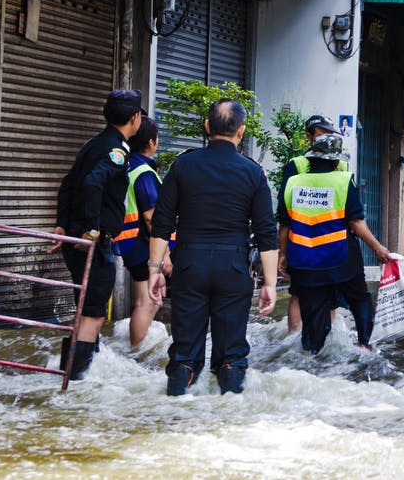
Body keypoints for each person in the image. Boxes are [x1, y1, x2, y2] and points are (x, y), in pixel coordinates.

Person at [147, 99, 278, 395]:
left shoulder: (183, 165)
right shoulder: (253, 173)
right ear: (241, 131)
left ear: (207, 127)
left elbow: (162, 223)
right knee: (232, 356)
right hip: (233, 268)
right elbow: (266, 232)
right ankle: (228, 410)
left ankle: (177, 401)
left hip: (189, 265)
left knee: (183, 354)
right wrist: (269, 283)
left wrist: (155, 270)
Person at [50, 88, 143, 379]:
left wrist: (62, 224)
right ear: (134, 118)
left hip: (76, 239)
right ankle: (75, 380)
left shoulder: (92, 144)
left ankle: (75, 373)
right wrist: (92, 230)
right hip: (92, 242)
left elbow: (68, 183)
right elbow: (92, 183)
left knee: (86, 305)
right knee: (93, 311)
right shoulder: (118, 149)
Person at [278, 132, 389, 354]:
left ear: (310, 158)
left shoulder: (293, 182)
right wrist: (378, 248)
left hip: (304, 260)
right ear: (336, 160)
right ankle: (365, 345)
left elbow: (285, 225)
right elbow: (356, 222)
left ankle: (312, 355)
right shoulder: (343, 180)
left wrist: (283, 255)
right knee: (359, 298)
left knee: (313, 317)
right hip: (340, 258)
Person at [281, 114, 347, 333]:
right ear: (308, 137)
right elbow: (285, 215)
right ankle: (293, 342)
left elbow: (350, 208)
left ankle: (328, 343)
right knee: (299, 294)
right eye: (320, 134)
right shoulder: (297, 165)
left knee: (331, 298)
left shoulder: (343, 166)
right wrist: (283, 252)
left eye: (329, 135)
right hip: (302, 244)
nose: (325, 140)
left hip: (332, 244)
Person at [111, 115, 172, 348]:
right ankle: (135, 350)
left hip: (130, 245)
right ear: (151, 142)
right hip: (144, 246)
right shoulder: (145, 173)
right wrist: (164, 255)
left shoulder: (126, 166)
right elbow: (151, 217)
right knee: (148, 303)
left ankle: (134, 347)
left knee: (142, 302)